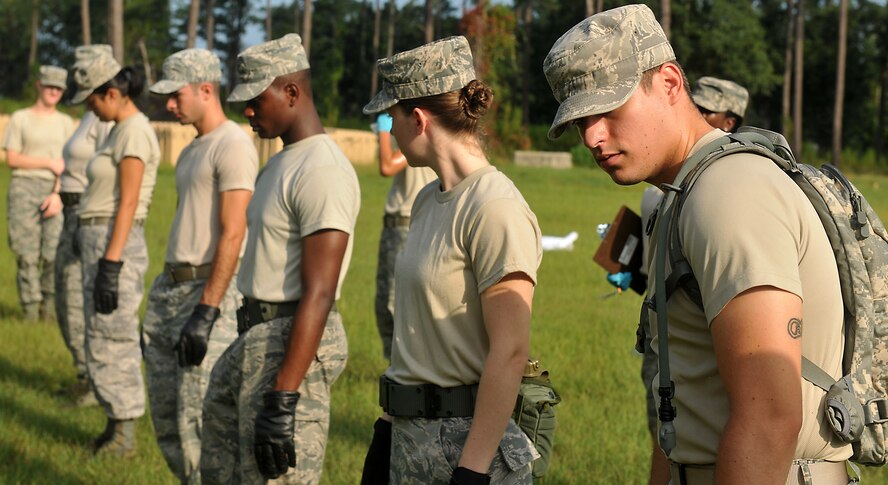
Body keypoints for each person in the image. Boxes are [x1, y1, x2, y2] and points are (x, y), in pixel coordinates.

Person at [544, 5, 850, 484]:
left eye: (606, 109)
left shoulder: (729, 193)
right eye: (580, 122)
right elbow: (687, 405)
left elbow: (770, 418)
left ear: (668, 82)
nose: (592, 137)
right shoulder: (683, 195)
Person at [361, 36, 542, 485]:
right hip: (409, 439)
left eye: (391, 116)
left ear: (418, 119)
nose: (391, 129)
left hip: (466, 444)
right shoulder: (426, 200)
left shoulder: (494, 207)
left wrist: (473, 470)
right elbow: (419, 338)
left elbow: (510, 349)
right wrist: (387, 430)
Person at [200, 33, 360, 484]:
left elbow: (321, 290)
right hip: (255, 337)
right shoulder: (282, 162)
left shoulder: (322, 169)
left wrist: (283, 398)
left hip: (290, 345)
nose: (246, 111)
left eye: (255, 99)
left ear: (292, 92)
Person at [143, 48, 258, 483]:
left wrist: (207, 311)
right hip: (171, 290)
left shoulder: (232, 144)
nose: (169, 104)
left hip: (205, 293)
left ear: (205, 89)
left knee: (196, 422)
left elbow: (234, 232)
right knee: (168, 418)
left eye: (176, 95)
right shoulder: (194, 148)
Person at [632, 74, 750, 484]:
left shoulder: (734, 190)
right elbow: (647, 272)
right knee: (668, 439)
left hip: (708, 337)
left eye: (706, 111)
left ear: (730, 121)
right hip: (662, 334)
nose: (693, 114)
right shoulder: (656, 189)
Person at [70, 46, 160, 457]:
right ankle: (114, 422)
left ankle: (125, 433)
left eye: (91, 102)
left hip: (115, 243)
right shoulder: (117, 130)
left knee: (114, 335)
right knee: (99, 335)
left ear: (110, 93)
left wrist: (111, 261)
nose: (91, 111)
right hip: (100, 239)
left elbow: (127, 201)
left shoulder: (135, 130)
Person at [54, 46, 115, 407]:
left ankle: (97, 382)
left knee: (82, 300)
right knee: (67, 296)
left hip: (88, 213)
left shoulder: (106, 117)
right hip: (70, 212)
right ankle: (85, 373)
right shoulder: (90, 113)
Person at [2, 65, 74, 322]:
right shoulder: (20, 119)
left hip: (55, 191)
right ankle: (30, 309)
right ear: (39, 86)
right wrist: (46, 163)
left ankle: (50, 308)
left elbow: (69, 164)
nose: (54, 91)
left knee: (53, 252)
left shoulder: (66, 123)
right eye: (49, 86)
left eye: (59, 88)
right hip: (24, 188)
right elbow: (12, 158)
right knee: (25, 252)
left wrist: (57, 194)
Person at [372, 111, 436, 361]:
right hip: (396, 227)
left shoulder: (416, 143)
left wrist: (382, 132)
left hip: (404, 227)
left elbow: (387, 166)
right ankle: (397, 366)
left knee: (391, 302)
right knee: (384, 300)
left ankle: (401, 366)